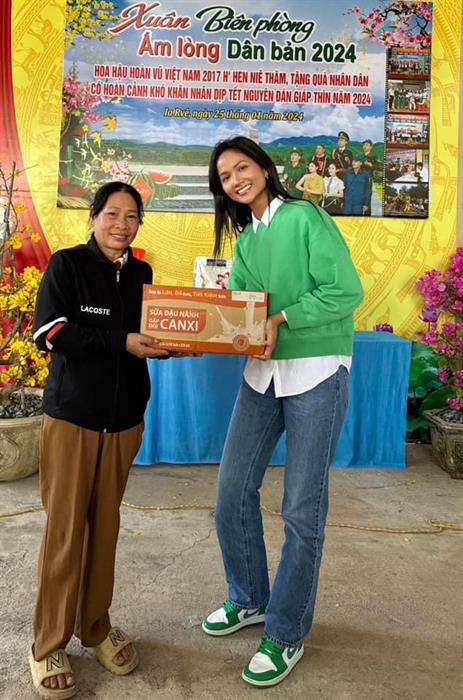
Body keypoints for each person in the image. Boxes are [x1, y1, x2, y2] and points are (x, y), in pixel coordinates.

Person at [202, 136, 363, 687]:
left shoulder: (305, 218)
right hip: (262, 377)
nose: (235, 180)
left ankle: (287, 630)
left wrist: (281, 319)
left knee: (301, 510)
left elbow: (344, 290)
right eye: (224, 176)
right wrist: (205, 331)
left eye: (241, 167)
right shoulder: (247, 241)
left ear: (264, 168)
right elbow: (242, 311)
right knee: (231, 491)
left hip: (316, 371)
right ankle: (249, 597)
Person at [29, 181, 170, 699]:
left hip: (124, 421)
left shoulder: (141, 274)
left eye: (132, 217)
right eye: (112, 213)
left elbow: (148, 334)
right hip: (73, 419)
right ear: (93, 217)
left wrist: (175, 344)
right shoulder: (67, 265)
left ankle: (94, 627)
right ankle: (48, 644)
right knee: (66, 533)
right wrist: (121, 341)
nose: (121, 225)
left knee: (105, 529)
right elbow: (49, 334)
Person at [361, 139, 380, 216]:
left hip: (368, 179)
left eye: (367, 145)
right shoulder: (360, 157)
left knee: (367, 199)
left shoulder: (374, 157)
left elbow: (379, 167)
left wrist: (370, 165)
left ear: (371, 147)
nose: (364, 146)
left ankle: (367, 216)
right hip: (359, 180)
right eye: (364, 145)